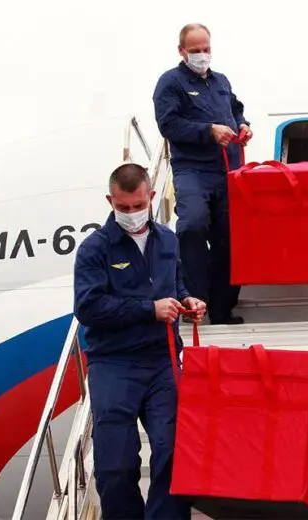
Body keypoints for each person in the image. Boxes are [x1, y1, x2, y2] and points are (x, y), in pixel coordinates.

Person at [73, 163, 206, 520]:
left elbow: (175, 282)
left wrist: (187, 300)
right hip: (113, 364)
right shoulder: (94, 249)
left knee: (173, 451)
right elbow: (87, 308)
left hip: (162, 361)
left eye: (138, 205)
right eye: (123, 207)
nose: (131, 213)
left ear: (151, 197)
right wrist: (149, 310)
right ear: (110, 201)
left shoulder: (168, 239)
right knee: (115, 465)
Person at [153, 23, 251, 325]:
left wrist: (242, 124)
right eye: (195, 50)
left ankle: (222, 310)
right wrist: (208, 131)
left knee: (230, 237)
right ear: (182, 51)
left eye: (206, 49)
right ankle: (194, 302)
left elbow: (235, 109)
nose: (202, 55)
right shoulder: (170, 83)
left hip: (227, 169)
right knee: (192, 226)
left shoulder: (221, 81)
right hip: (193, 169)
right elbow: (168, 125)